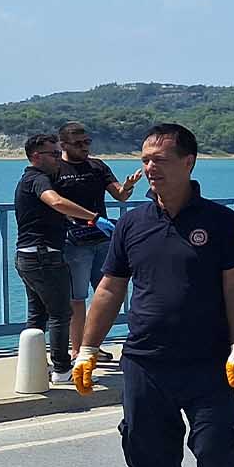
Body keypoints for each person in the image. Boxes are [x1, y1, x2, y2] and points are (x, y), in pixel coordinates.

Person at [74, 123, 234, 467]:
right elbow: (109, 289)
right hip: (144, 363)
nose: (148, 168)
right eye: (144, 159)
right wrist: (86, 351)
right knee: (148, 458)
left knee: (217, 456)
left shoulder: (219, 221)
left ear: (188, 162)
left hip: (207, 362)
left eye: (158, 159)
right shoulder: (133, 224)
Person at [14, 134, 103, 385]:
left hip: (27, 256)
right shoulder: (38, 179)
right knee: (61, 313)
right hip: (45, 256)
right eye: (53, 154)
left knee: (37, 314)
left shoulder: (27, 179)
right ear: (36, 157)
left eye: (57, 152)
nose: (58, 158)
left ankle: (31, 367)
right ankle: (63, 370)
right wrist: (93, 218)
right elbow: (56, 202)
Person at [54, 121, 143, 360]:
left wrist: (128, 186)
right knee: (77, 297)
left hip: (102, 238)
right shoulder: (56, 169)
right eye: (78, 143)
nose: (85, 147)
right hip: (73, 241)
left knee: (108, 292)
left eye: (87, 142)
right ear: (63, 144)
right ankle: (77, 350)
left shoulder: (97, 166)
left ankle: (92, 344)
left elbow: (120, 195)